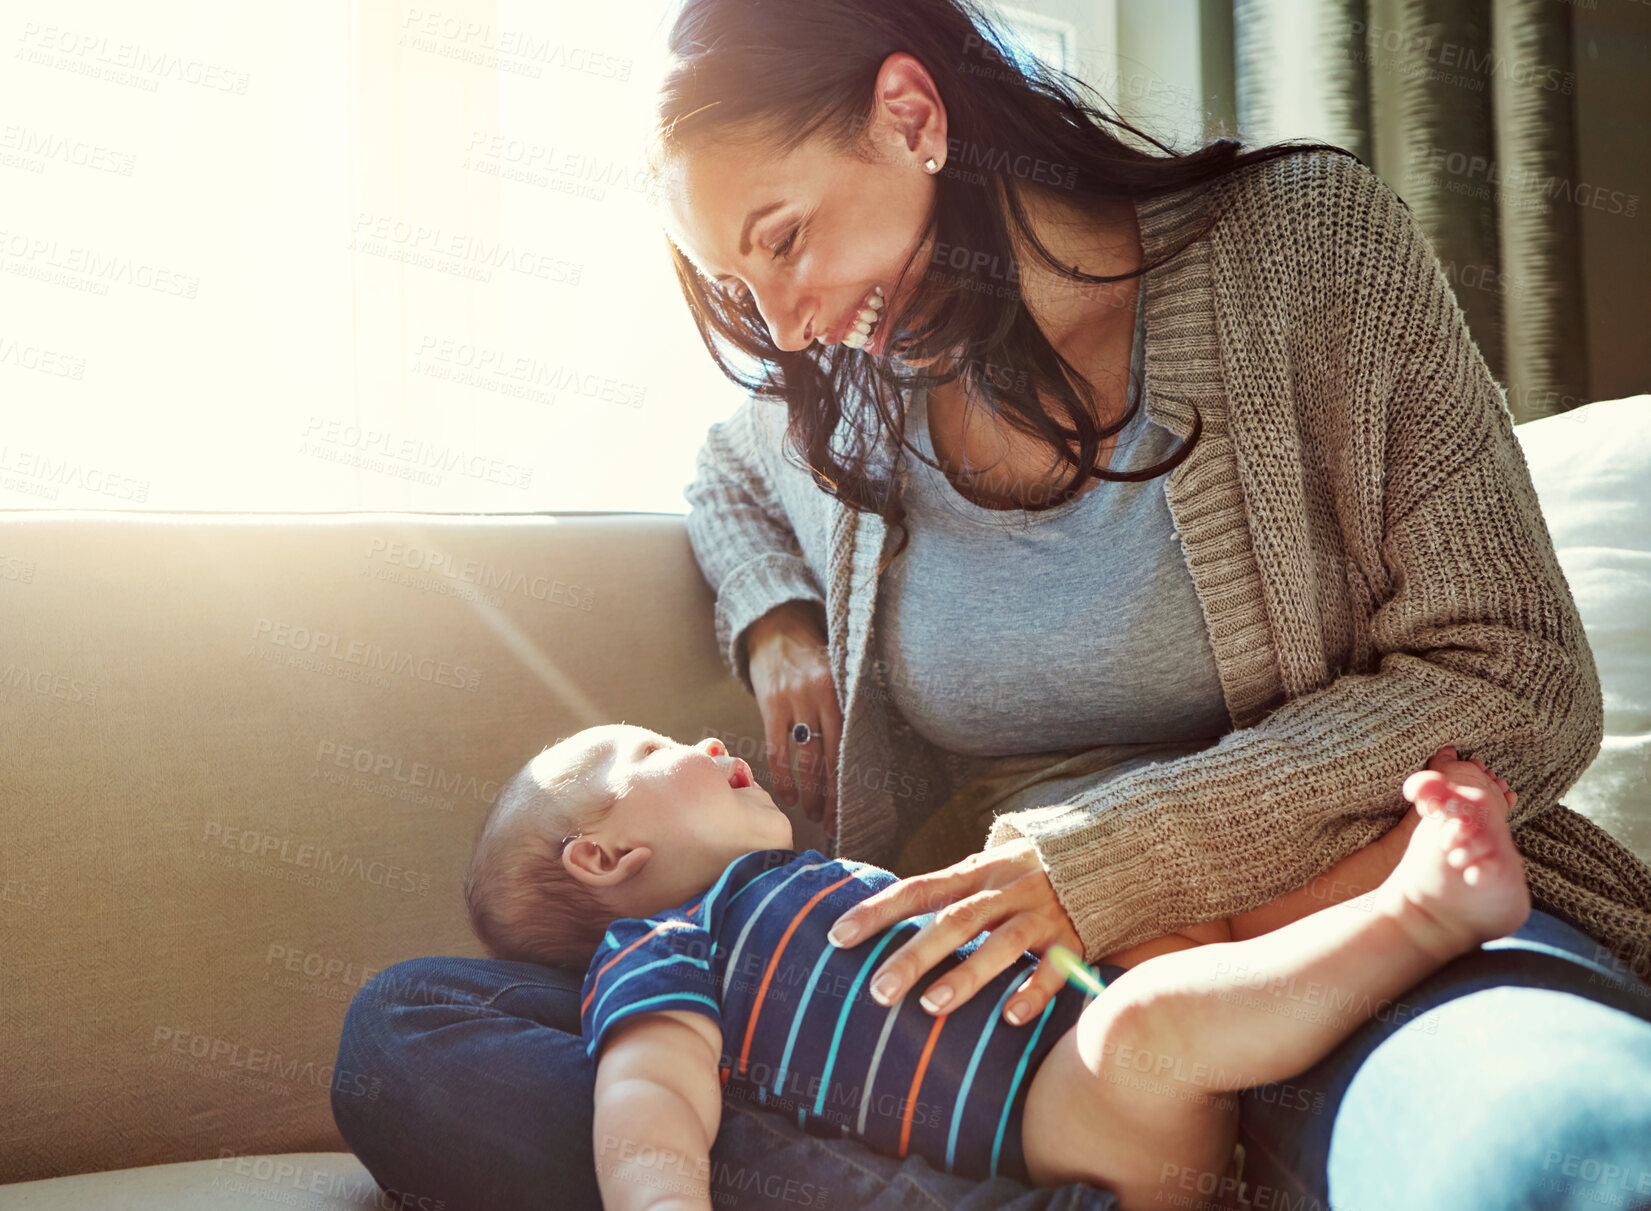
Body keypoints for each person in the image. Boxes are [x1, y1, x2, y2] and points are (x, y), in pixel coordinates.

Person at [333, 2, 1651, 1208]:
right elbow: (727, 470)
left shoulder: (1299, 249)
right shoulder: (852, 392)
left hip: (1336, 932)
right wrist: (779, 621)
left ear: (911, 115)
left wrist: (1103, 857)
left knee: (1564, 1145)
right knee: (416, 1028)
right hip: (1004, 1046)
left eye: (783, 238)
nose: (786, 328)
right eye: (745, 290)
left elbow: (1516, 682)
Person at [462, 723, 1532, 1211]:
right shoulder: (658, 945)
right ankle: (1425, 909)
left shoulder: (806, 876)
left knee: (1175, 934)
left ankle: (1393, 860)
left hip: (1086, 1024)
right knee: (1146, 1023)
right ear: (604, 855)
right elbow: (647, 1093)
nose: (697, 740)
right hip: (1065, 1119)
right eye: (647, 755)